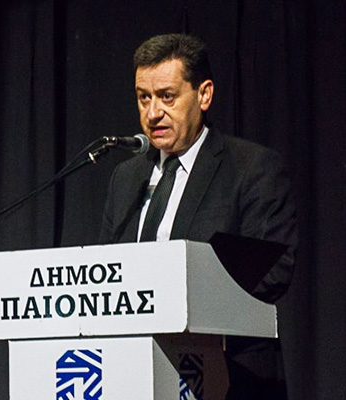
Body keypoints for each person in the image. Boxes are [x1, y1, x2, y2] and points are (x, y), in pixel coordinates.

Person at [99, 33, 298, 400]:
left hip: (229, 375)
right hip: (136, 376)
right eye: (144, 98)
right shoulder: (126, 178)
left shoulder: (251, 168)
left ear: (204, 95)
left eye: (167, 96)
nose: (153, 113)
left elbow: (273, 271)